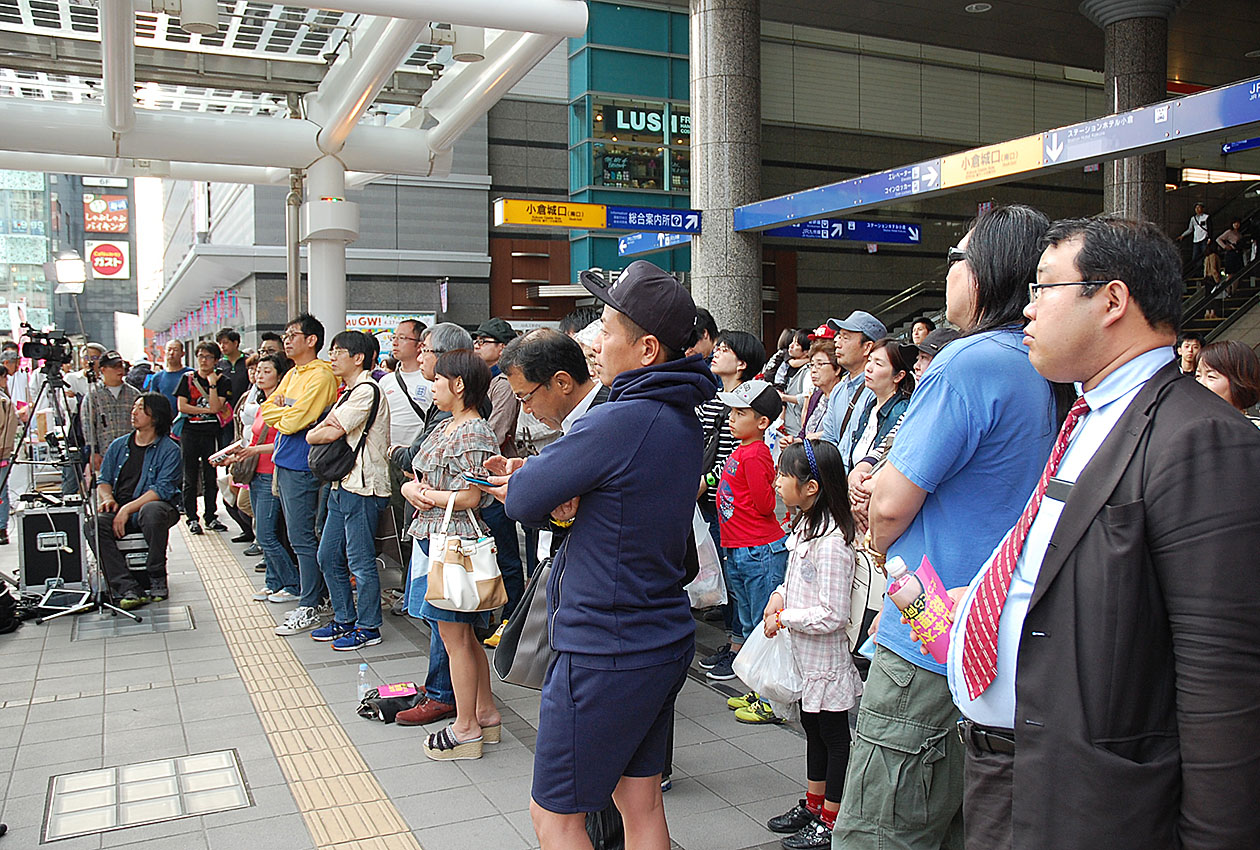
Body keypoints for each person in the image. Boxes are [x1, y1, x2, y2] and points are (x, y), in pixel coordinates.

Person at [947, 215, 1260, 850]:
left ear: (1112, 300)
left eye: (1044, 287)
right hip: (1011, 773)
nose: (1028, 308)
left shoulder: (1200, 438)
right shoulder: (1088, 412)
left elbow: (1222, 678)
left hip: (1093, 798)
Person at [843, 204, 1059, 850]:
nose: (948, 272)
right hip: (1002, 643)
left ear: (988, 269)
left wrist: (879, 537)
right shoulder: (1048, 366)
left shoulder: (969, 362)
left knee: (882, 830)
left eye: (956, 257)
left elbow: (888, 507)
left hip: (931, 637)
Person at [500, 260, 716, 848]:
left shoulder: (622, 418)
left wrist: (547, 486)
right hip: (658, 635)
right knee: (639, 801)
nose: (594, 342)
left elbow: (522, 497)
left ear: (646, 349)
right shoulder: (679, 415)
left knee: (555, 816)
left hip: (605, 647)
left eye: (608, 328)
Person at [399, 350, 501, 759]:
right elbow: (421, 474)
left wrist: (423, 493)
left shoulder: (473, 430)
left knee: (454, 636)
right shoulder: (448, 424)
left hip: (454, 541)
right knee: (462, 635)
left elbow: (472, 496)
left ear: (458, 384)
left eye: (438, 379)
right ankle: (484, 714)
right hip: (440, 538)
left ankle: (466, 727)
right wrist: (413, 488)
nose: (433, 386)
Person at [762, 439, 861, 850]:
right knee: (813, 728)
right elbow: (797, 582)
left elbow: (833, 613)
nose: (777, 482)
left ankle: (831, 819)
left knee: (833, 736)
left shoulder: (833, 541)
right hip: (806, 659)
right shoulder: (807, 526)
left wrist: (785, 617)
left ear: (811, 487)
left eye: (784, 475)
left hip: (826, 663)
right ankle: (814, 804)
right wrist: (779, 596)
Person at [307, 331, 392, 651]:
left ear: (358, 358)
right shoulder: (349, 392)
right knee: (328, 555)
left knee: (359, 560)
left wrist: (316, 433)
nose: (332, 356)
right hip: (342, 484)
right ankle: (344, 618)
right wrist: (322, 429)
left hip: (363, 488)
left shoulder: (367, 391)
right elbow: (326, 428)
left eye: (338, 351)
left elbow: (328, 433)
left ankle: (369, 626)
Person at [710, 379, 788, 713]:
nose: (732, 418)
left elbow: (765, 504)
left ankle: (771, 700)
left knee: (763, 624)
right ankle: (758, 691)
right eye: (732, 412)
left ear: (762, 422)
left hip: (758, 551)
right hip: (740, 549)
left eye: (741, 413)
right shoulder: (742, 450)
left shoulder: (756, 454)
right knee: (750, 622)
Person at [261, 313, 340, 637]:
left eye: (293, 334)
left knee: (303, 538)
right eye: (285, 334)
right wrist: (283, 411)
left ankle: (310, 603)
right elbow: (269, 410)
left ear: (311, 340)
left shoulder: (320, 375)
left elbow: (294, 422)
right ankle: (316, 598)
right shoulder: (294, 373)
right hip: (286, 461)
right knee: (298, 537)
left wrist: (283, 412)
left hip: (304, 464)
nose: (286, 340)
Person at [695, 330, 766, 677]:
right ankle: (734, 642)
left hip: (730, 505)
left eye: (724, 350)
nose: (716, 353)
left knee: (735, 579)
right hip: (709, 501)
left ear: (741, 364)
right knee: (725, 579)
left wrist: (706, 481)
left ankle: (741, 649)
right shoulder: (711, 399)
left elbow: (735, 455)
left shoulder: (747, 405)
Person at [92, 393, 183, 610]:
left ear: (155, 416)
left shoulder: (170, 449)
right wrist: (108, 499)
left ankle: (156, 575)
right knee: (94, 524)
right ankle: (126, 586)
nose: (134, 412)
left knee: (151, 511)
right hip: (120, 505)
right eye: (134, 407)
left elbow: (162, 489)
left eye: (141, 408)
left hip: (157, 507)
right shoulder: (118, 445)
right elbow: (103, 481)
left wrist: (127, 509)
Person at [473, 318, 526, 623]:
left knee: (504, 552)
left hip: (498, 475)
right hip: (487, 478)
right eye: (476, 341)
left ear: (503, 347)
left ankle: (512, 617)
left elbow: (496, 431)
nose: (477, 346)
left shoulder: (504, 383)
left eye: (485, 341)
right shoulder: (486, 381)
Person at [382, 318, 433, 565]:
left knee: (414, 523)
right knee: (394, 521)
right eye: (394, 337)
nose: (395, 342)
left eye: (402, 338)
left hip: (418, 463)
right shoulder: (386, 381)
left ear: (420, 344)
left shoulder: (430, 380)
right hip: (391, 459)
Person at [175, 341, 233, 534]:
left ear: (216, 360)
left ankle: (210, 516)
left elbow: (216, 407)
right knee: (189, 476)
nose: (204, 360)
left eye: (208, 357)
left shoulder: (223, 381)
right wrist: (206, 410)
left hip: (211, 433)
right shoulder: (187, 379)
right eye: (200, 356)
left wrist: (213, 384)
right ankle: (192, 517)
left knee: (210, 476)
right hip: (190, 433)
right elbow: (182, 406)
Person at [820, 311, 888, 471]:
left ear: (867, 347)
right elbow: (828, 441)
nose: (837, 343)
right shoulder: (838, 390)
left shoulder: (877, 390)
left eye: (845, 337)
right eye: (838, 336)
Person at [844, 338, 914, 469]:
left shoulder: (902, 411)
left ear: (898, 376)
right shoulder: (870, 408)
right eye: (869, 360)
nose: (869, 368)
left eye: (878, 364)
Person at [86, 350, 141, 475]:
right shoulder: (93, 395)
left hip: (131, 453)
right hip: (104, 453)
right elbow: (88, 425)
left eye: (121, 366)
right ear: (103, 370)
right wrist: (93, 452)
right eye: (114, 367)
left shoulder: (134, 394)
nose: (119, 370)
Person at [1195, 339, 1260, 423]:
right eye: (1198, 376)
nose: (1200, 383)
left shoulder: (1252, 428)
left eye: (1211, 376)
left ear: (1239, 381)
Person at [777, 329, 814, 435]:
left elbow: (807, 398)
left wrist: (784, 397)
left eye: (797, 344)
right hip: (786, 427)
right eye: (792, 342)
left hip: (796, 429)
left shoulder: (808, 372)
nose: (791, 346)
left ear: (806, 352)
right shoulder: (789, 365)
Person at [150, 340, 191, 416]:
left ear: (182, 354)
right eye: (169, 350)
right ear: (164, 352)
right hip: (165, 419)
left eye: (175, 350)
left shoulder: (190, 374)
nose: (171, 353)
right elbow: (153, 402)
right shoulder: (157, 377)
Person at [0, 367, 17, 544]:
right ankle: (1, 528)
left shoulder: (4, 401)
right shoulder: (4, 401)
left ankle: (1, 527)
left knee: (1, 491)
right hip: (3, 451)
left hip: (2, 452)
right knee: (1, 491)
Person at [1177, 202, 1210, 270]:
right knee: (1195, 256)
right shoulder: (1193, 218)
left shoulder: (1206, 217)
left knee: (1205, 254)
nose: (1197, 209)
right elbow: (1190, 229)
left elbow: (1210, 228)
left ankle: (1204, 269)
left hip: (1204, 238)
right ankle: (1197, 269)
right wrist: (1183, 235)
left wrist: (1209, 238)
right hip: (1196, 239)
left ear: (1202, 208)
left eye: (1199, 207)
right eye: (1196, 208)